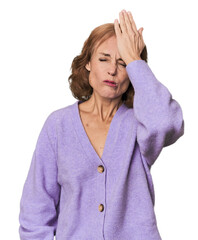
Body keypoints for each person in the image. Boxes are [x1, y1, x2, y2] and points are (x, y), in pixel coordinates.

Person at [18, 9, 184, 240]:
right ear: (87, 63)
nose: (112, 70)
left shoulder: (140, 125)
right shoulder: (58, 126)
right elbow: (35, 210)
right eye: (103, 58)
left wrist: (136, 60)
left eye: (123, 63)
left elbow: (167, 123)